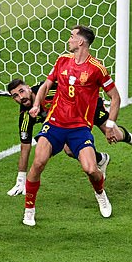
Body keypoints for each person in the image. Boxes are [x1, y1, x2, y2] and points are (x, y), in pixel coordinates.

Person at [22, 25, 120, 226]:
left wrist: (110, 125)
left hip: (79, 128)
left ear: (81, 41)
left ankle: (100, 193)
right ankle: (29, 209)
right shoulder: (62, 60)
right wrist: (37, 104)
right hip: (55, 123)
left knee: (91, 169)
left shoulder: (97, 69)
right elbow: (47, 85)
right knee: (39, 162)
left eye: (72, 36)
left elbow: (115, 97)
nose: (69, 40)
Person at [6, 78, 132, 196]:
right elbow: (25, 147)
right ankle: (101, 159)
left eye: (21, 91)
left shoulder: (49, 91)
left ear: (29, 88)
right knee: (69, 149)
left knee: (115, 135)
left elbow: (77, 91)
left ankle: (131, 138)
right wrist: (21, 179)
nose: (21, 97)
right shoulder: (25, 116)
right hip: (70, 122)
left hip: (87, 105)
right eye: (15, 96)